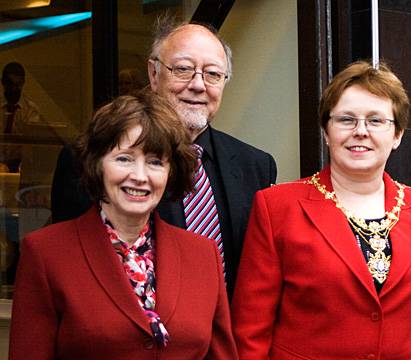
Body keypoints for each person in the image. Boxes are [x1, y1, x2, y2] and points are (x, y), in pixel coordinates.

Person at [232, 61, 411, 360]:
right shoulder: (278, 208)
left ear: (398, 134)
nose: (361, 132)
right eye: (346, 119)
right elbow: (250, 337)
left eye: (376, 120)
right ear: (326, 130)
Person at [5, 90, 245, 360]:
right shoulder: (47, 254)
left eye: (155, 161)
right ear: (97, 164)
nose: (140, 175)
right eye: (124, 158)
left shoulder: (201, 254)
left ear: (171, 172)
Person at [50, 19, 276, 297]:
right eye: (183, 69)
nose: (198, 85)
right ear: (154, 74)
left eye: (213, 74)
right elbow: (69, 272)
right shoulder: (89, 158)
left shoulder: (256, 166)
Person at [1, 62, 41, 135]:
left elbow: (31, 138)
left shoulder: (31, 109)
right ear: (3, 82)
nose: (13, 88)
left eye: (17, 85)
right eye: (10, 84)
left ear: (23, 83)